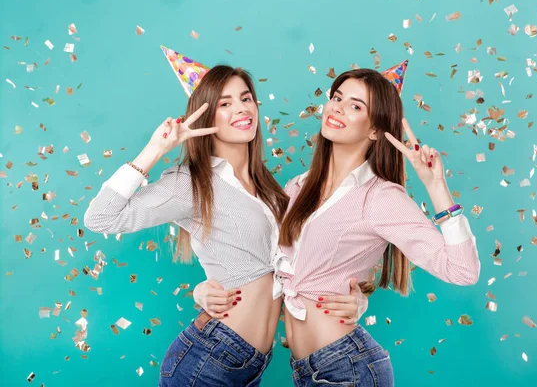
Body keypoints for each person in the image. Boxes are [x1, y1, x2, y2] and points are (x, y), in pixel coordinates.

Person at [84, 65, 362, 386]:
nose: (241, 108)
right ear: (206, 117)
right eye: (224, 103)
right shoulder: (190, 183)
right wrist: (156, 149)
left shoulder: (271, 190)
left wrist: (358, 301)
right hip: (208, 358)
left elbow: (297, 272)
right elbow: (100, 217)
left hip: (250, 365)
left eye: (245, 98)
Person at [275, 68, 481, 386]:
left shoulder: (380, 197)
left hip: (348, 368)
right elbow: (277, 271)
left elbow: (463, 271)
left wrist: (437, 187)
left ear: (374, 130)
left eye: (356, 106)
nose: (338, 108)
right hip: (306, 369)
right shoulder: (297, 188)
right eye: (337, 97)